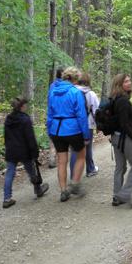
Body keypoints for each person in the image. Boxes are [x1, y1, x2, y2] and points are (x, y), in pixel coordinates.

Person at [47, 66, 90, 202]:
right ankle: (75, 183)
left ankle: (63, 191)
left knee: (61, 161)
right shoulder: (75, 92)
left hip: (56, 130)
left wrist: (49, 130)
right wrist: (86, 135)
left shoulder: (53, 91)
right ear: (74, 79)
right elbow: (81, 116)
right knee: (81, 155)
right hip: (72, 129)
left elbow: (49, 113)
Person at [3, 97, 49, 208]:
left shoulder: (8, 119)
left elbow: (6, 136)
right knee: (32, 171)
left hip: (11, 150)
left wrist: (7, 148)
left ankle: (6, 198)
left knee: (10, 173)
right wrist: (35, 153)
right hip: (25, 151)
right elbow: (30, 138)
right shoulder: (25, 119)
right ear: (22, 106)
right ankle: (38, 190)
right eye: (25, 105)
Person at [110, 74, 132, 208]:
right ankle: (125, 194)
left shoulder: (114, 98)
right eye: (126, 81)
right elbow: (124, 122)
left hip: (115, 137)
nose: (129, 83)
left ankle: (116, 196)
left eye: (130, 80)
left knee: (120, 167)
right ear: (119, 84)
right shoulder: (123, 101)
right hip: (125, 138)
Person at [70, 72, 100, 178]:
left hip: (73, 125)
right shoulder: (90, 94)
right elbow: (97, 111)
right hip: (87, 123)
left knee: (74, 149)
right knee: (88, 147)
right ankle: (90, 169)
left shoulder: (72, 92)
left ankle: (73, 175)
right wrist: (98, 125)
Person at [47, 66, 64, 168]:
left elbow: (49, 100)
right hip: (62, 115)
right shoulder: (67, 86)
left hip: (53, 115)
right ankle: (59, 159)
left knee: (53, 138)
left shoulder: (52, 85)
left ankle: (52, 159)